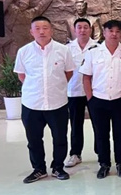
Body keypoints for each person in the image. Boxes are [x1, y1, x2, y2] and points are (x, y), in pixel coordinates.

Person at [14, 16, 76, 183]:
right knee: (33, 140)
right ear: (31, 32)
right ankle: (39, 169)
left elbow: (68, 73)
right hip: (32, 104)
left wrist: (54, 87)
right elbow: (22, 75)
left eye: (45, 28)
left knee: (60, 138)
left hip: (57, 102)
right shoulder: (24, 51)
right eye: (37, 28)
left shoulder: (63, 50)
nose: (41, 31)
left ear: (51, 30)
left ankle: (58, 167)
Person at [80, 20, 121, 179]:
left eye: (118, 31)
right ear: (104, 32)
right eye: (111, 31)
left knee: (120, 134)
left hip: (119, 99)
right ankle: (104, 164)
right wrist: (90, 99)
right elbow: (86, 78)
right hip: (98, 100)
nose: (114, 34)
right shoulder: (93, 52)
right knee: (101, 134)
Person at [65, 18, 98, 168]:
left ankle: (101, 152)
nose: (82, 30)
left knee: (98, 123)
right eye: (79, 27)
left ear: (90, 30)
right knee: (75, 124)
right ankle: (75, 154)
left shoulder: (97, 47)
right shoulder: (67, 48)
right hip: (74, 91)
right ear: (74, 30)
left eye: (86, 27)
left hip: (94, 91)